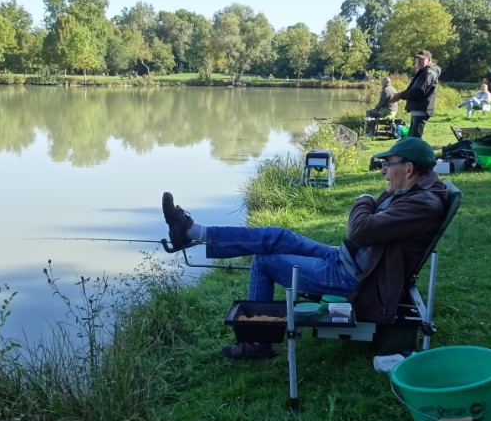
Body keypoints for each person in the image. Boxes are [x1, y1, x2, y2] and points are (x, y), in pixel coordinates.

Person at [161, 137, 449, 360]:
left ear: (408, 168)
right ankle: (192, 232)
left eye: (389, 164)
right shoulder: (412, 193)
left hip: (353, 278)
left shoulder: (421, 205)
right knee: (278, 235)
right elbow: (369, 223)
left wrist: (363, 197)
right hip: (345, 259)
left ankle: (257, 344)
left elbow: (359, 229)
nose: (384, 170)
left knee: (264, 262)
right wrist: (379, 198)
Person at [387, 50, 440, 138]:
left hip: (421, 109)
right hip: (418, 109)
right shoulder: (424, 72)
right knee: (412, 137)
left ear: (429, 60)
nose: (419, 62)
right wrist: (401, 95)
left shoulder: (429, 73)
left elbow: (418, 92)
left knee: (414, 138)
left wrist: (401, 95)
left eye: (422, 59)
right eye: (417, 59)